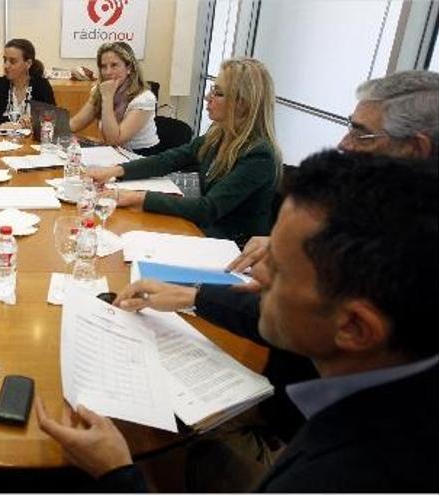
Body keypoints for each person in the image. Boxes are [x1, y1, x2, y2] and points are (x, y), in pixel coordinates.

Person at [38, 150, 439, 492]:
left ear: (354, 327)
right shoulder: (392, 348)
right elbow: (272, 310)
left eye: (277, 272)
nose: (253, 278)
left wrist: (118, 474)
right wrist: (193, 296)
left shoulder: (344, 475)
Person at [229, 69, 439, 274]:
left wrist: (203, 296)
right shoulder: (371, 197)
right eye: (350, 128)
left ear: (415, 149)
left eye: (361, 135)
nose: (343, 144)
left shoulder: (418, 249)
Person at [89, 58, 281, 245]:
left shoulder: (259, 155)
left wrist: (137, 197)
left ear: (242, 104)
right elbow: (169, 160)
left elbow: (208, 208)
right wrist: (114, 171)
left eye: (218, 93)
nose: (208, 97)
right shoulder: (218, 135)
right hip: (202, 228)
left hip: (230, 245)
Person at [69, 42, 159, 155]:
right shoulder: (100, 89)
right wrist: (47, 124)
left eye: (114, 65)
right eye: (103, 66)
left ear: (129, 68)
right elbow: (75, 124)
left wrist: (107, 98)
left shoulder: (144, 99)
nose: (108, 72)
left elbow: (114, 140)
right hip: (114, 154)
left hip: (140, 157)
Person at [0, 38, 55, 126]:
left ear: (28, 63)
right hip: (2, 139)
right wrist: (8, 123)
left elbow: (52, 119)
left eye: (12, 61)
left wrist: (33, 121)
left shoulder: (41, 85)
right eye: (5, 60)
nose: (6, 65)